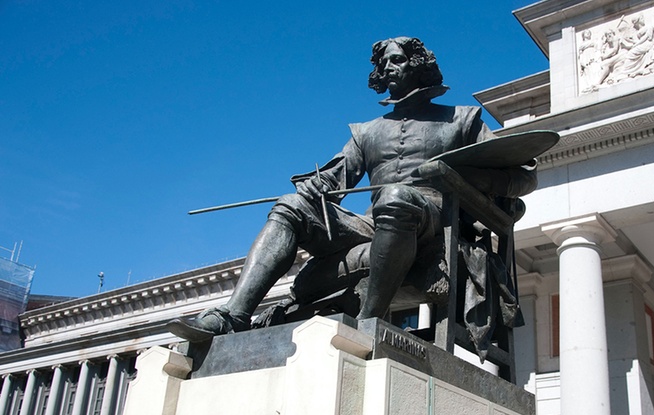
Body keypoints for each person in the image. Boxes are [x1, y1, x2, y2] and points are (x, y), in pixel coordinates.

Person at [169, 36, 537, 342]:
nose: (387, 68)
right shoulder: (367, 131)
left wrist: (478, 181)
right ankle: (233, 316)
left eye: (397, 60)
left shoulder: (462, 119)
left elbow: (525, 176)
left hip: (434, 224)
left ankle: (367, 325)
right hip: (374, 222)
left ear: (418, 65)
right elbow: (335, 180)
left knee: (395, 198)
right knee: (290, 204)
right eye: (384, 64)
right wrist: (316, 187)